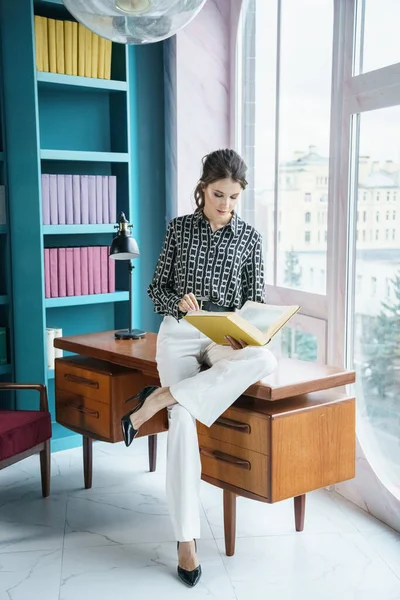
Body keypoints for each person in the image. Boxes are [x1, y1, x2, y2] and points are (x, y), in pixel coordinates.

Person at [120, 149, 278, 587]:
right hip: (181, 332)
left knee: (265, 357)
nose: (225, 205)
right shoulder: (179, 230)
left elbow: (255, 300)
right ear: (202, 189)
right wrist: (179, 302)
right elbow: (156, 289)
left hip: (224, 338)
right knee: (184, 421)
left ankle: (158, 398)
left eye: (233, 197)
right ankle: (186, 540)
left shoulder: (250, 239)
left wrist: (246, 330)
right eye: (218, 195)